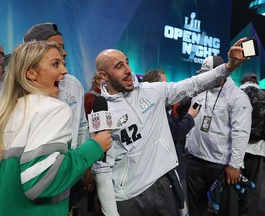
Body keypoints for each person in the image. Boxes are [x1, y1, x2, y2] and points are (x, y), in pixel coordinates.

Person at [91, 37, 250, 216]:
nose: (128, 70)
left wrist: (228, 67)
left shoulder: (153, 91)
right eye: (119, 66)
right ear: (103, 75)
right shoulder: (103, 111)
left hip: (164, 185)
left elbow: (194, 84)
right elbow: (102, 168)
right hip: (129, 195)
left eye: (127, 63)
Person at [0, 41, 111, 216]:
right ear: (31, 73)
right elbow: (41, 182)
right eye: (55, 64)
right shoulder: (53, 108)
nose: (65, 71)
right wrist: (94, 147)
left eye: (63, 63)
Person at [23, 23, 89, 214]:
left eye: (63, 47)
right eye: (54, 47)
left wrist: (84, 164)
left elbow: (82, 126)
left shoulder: (73, 84)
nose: (63, 53)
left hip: (71, 168)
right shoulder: (13, 92)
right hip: (33, 175)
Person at [184, 55, 252, 216]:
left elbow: (240, 132)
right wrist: (188, 145)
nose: (205, 77)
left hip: (221, 165)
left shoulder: (238, 97)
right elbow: (193, 118)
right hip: (194, 160)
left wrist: (235, 165)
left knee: (226, 210)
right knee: (195, 208)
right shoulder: (199, 91)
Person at [142, 69, 199, 216]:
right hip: (168, 168)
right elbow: (177, 133)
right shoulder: (157, 109)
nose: (168, 87)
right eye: (164, 83)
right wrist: (190, 117)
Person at [239, 73, 265, 216]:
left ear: (243, 80)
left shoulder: (237, 93)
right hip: (257, 148)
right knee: (252, 187)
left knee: (232, 184)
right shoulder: (264, 95)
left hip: (236, 148)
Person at [84, 71, 105, 216]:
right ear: (97, 80)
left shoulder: (112, 98)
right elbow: (85, 126)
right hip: (94, 145)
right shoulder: (89, 98)